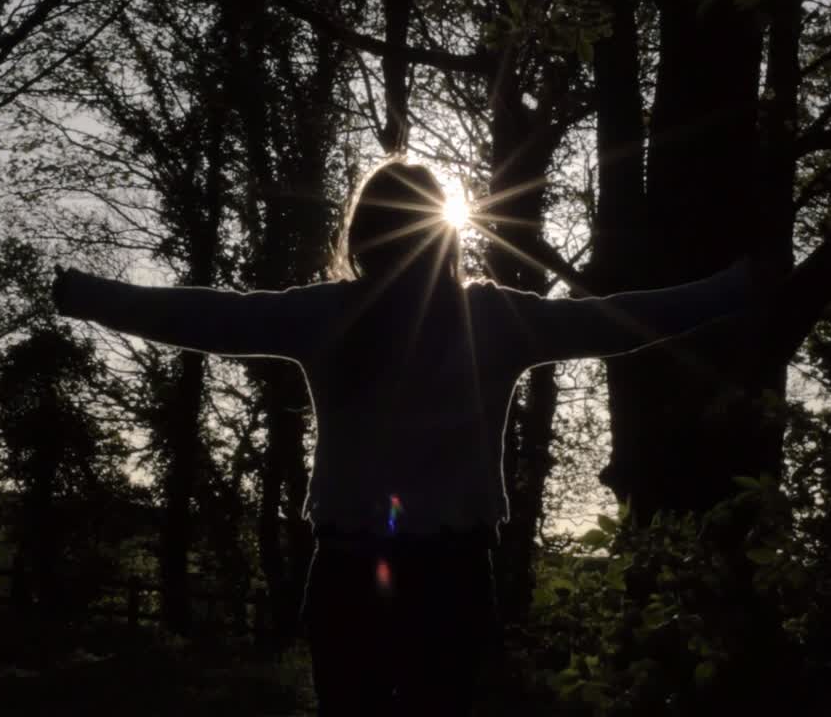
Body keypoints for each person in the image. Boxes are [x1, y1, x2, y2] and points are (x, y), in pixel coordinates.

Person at [52, 159, 763, 715]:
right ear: (445, 233)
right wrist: (733, 288)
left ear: (361, 236)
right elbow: (621, 320)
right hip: (447, 577)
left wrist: (89, 295)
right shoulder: (490, 319)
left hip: (352, 571)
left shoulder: (331, 314)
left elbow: (207, 318)